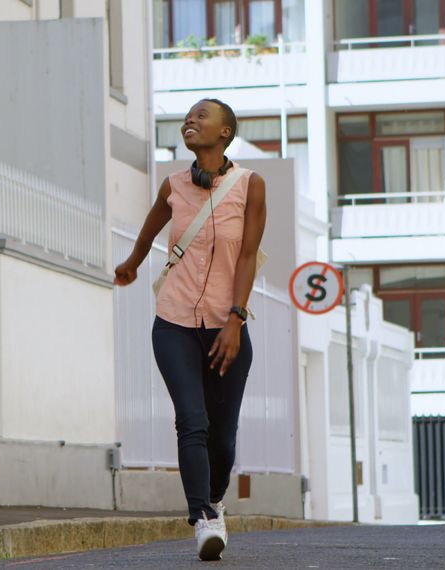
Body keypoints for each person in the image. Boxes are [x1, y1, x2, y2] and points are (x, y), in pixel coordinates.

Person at [114, 98, 266, 561]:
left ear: (225, 133)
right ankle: (203, 518)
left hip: (226, 326)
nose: (191, 121)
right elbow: (148, 232)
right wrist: (132, 264)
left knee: (222, 436)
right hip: (174, 321)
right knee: (191, 421)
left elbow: (246, 256)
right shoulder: (173, 186)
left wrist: (236, 319)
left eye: (203, 115)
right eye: (188, 116)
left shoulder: (249, 186)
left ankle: (214, 497)